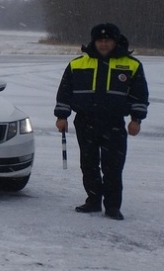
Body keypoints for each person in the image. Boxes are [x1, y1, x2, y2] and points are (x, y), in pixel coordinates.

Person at [54, 23, 149, 220]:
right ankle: (93, 201)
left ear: (115, 41)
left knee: (113, 167)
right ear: (94, 41)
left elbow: (139, 96)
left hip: (114, 123)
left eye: (108, 40)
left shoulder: (131, 65)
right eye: (100, 40)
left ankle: (113, 206)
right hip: (85, 122)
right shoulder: (77, 64)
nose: (103, 44)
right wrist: (62, 116)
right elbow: (65, 93)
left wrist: (136, 120)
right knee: (88, 164)